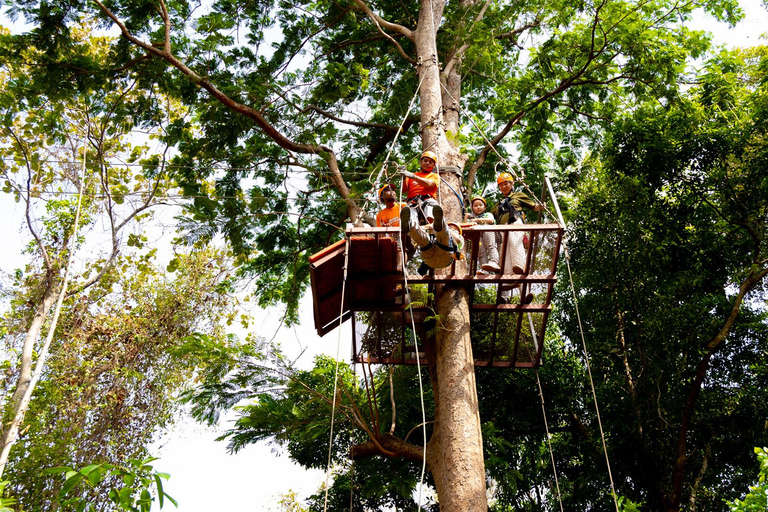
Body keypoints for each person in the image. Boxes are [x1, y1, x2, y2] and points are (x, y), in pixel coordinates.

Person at [491, 172, 543, 304]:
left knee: (515, 245)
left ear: (512, 184)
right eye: (501, 185)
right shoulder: (497, 205)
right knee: (505, 259)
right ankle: (505, 296)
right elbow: (490, 218)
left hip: (515, 223)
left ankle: (520, 268)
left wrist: (541, 206)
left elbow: (534, 207)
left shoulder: (518, 196)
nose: (504, 187)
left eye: (506, 184)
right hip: (502, 230)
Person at [400, 204, 464, 275]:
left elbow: (457, 240)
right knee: (423, 238)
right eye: (450, 228)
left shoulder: (459, 238)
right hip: (430, 258)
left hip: (444, 256)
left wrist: (447, 229)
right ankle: (410, 226)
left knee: (444, 236)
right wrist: (431, 228)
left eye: (454, 229)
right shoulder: (439, 235)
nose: (452, 229)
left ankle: (441, 224)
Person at [398, 150, 441, 232]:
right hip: (413, 202)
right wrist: (404, 177)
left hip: (427, 200)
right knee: (410, 211)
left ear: (433, 165)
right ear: (420, 162)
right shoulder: (412, 176)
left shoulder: (434, 176)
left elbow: (430, 184)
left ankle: (432, 225)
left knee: (431, 205)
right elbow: (404, 190)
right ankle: (410, 226)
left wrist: (414, 177)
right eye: (425, 161)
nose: (427, 163)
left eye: (430, 162)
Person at [464, 196, 500, 273]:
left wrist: (477, 219)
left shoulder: (487, 214)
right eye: (475, 206)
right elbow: (466, 226)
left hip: (488, 231)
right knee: (481, 252)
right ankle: (485, 268)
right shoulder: (472, 218)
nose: (478, 207)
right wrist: (466, 218)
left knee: (491, 246)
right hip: (478, 235)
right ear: (472, 208)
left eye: (480, 205)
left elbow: (491, 220)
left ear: (484, 207)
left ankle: (494, 262)